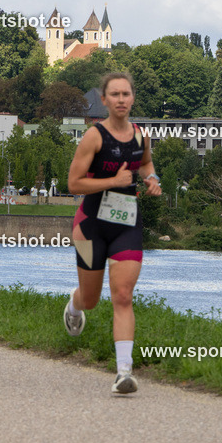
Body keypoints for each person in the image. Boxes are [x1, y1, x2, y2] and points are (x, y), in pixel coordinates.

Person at [63, 72, 160, 394]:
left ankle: (124, 372)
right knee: (91, 300)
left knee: (122, 295)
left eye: (126, 94)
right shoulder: (94, 136)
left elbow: (144, 163)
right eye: (114, 95)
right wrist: (112, 182)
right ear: (104, 100)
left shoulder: (141, 136)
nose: (121, 100)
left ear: (133, 99)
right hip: (90, 225)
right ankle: (75, 305)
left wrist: (151, 178)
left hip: (126, 224)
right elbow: (74, 184)